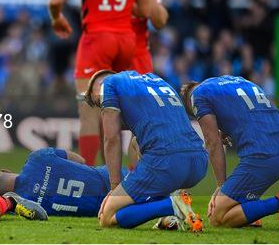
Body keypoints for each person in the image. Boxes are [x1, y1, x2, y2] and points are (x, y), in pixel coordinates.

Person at [47, 0, 158, 165]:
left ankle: (88, 177)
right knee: (120, 112)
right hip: (126, 42)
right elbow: (146, 10)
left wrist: (57, 19)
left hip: (97, 39)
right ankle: (130, 178)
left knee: (89, 112)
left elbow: (55, 0)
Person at [85, 70, 208, 231]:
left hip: (167, 162)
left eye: (100, 103)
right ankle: (167, 215)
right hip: (199, 162)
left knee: (107, 217)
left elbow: (112, 139)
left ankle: (170, 206)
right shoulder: (156, 80)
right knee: (137, 143)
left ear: (100, 86)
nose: (102, 110)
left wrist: (115, 188)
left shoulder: (108, 85)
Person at [180, 76, 279, 229]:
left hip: (266, 156)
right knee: (237, 199)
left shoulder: (197, 95)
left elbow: (212, 141)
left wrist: (221, 186)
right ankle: (249, 211)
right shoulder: (241, 81)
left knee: (217, 217)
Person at [0, 147, 127, 217]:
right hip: (115, 177)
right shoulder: (37, 158)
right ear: (5, 171)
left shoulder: (21, 207)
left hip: (107, 209)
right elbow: (80, 160)